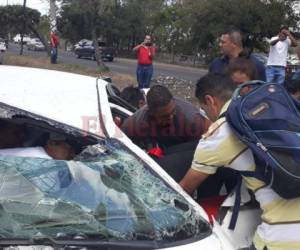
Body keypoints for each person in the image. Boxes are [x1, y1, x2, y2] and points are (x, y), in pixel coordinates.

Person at [179, 73, 300, 250]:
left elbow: (184, 190)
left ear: (210, 101)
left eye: (203, 108)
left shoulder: (218, 135)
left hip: (282, 238)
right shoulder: (281, 113)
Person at [121, 84, 211, 151]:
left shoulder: (192, 119)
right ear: (151, 113)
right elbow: (121, 142)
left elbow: (211, 143)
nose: (171, 117)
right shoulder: (137, 122)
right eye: (165, 116)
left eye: (173, 112)